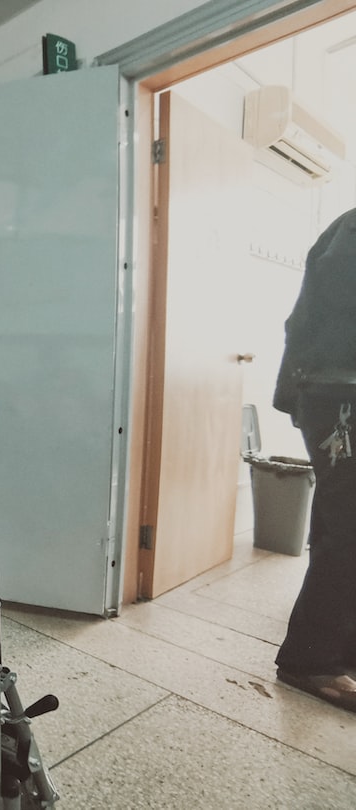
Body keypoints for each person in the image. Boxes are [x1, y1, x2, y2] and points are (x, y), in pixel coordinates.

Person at [272, 206, 356, 713]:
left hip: (332, 392)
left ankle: (338, 645)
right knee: (347, 529)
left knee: (342, 524)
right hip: (341, 396)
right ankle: (310, 659)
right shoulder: (350, 231)